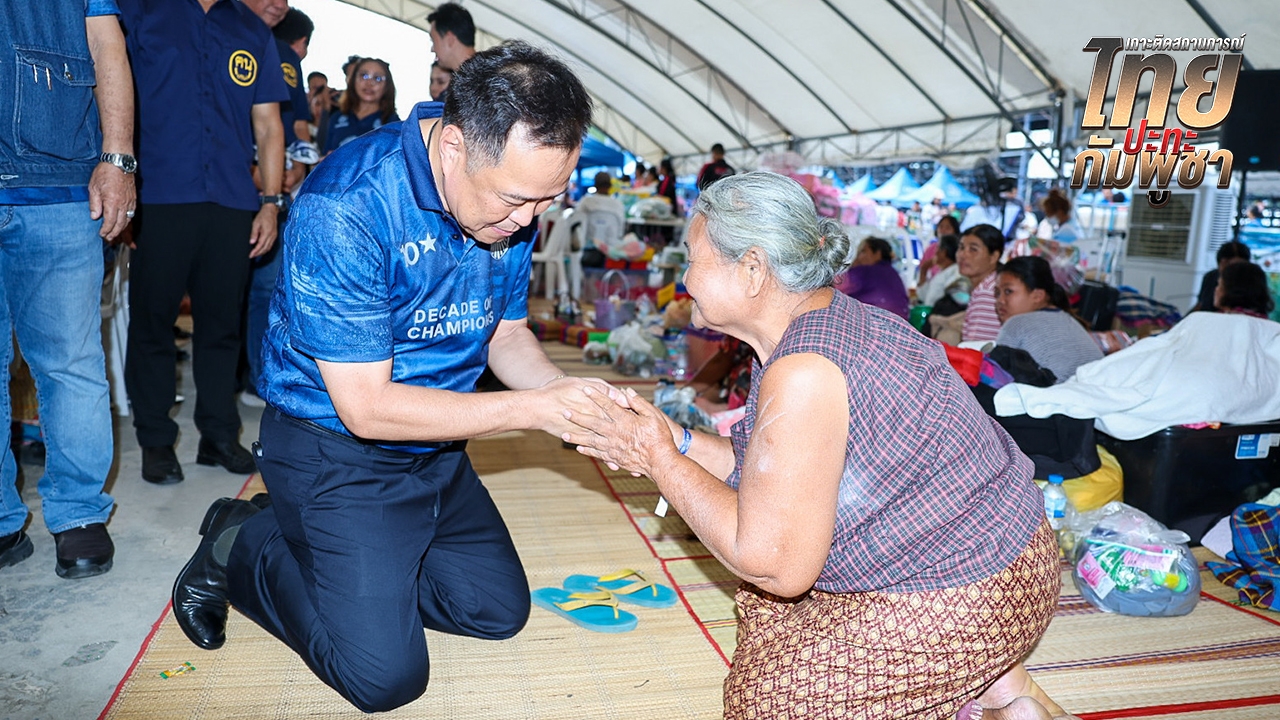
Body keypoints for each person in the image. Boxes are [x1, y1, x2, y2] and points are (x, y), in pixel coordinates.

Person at [170, 41, 600, 713]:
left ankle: (358, 563)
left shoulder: (512, 205)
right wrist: (533, 411)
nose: (528, 221)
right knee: (385, 679)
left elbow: (507, 334)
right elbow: (366, 408)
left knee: (494, 610)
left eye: (549, 199)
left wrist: (568, 399)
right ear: (454, 147)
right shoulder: (348, 205)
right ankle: (242, 540)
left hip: (436, 443)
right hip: (335, 449)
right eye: (517, 199)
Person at [564, 172, 1074, 720]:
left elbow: (776, 565)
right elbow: (773, 470)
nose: (683, 277)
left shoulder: (804, 368)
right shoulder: (828, 322)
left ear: (753, 269)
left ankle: (980, 687)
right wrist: (677, 442)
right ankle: (994, 687)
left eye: (692, 258)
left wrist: (658, 460)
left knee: (769, 703)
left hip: (970, 589)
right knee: (768, 615)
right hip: (1007, 553)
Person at [119, 0, 286, 484]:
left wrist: (270, 203)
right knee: (152, 324)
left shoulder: (252, 29)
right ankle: (155, 440)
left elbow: (268, 124)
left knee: (222, 327)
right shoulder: (140, 11)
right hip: (159, 195)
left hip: (232, 201)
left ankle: (218, 436)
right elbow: (112, 92)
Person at [0, 0, 134, 578]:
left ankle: (79, 513)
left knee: (71, 361)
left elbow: (107, 45)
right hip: (55, 183)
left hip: (57, 182)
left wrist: (118, 159)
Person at [241, 1, 317, 408]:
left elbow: (297, 122)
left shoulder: (285, 56)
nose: (279, 4)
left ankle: (258, 376)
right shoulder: (222, 34)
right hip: (233, 186)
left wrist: (299, 168)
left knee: (267, 290)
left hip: (277, 193)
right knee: (232, 292)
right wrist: (251, 169)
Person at [995, 256, 1103, 383]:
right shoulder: (1070, 320)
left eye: (1008, 291)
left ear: (1038, 296)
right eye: (997, 293)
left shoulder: (1016, 324)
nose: (999, 300)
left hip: (1057, 394)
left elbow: (995, 376)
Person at [323, 57, 399, 155]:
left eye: (377, 78)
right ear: (353, 80)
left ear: (387, 86)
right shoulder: (336, 118)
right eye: (364, 76)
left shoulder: (393, 123)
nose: (369, 83)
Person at [833, 236, 909, 319]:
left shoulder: (865, 271)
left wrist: (854, 264)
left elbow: (832, 283)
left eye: (863, 251)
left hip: (875, 322)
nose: (859, 257)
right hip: (899, 322)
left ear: (878, 253)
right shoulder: (894, 274)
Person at [959, 223, 1006, 343]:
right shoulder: (989, 284)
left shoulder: (988, 292)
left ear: (994, 256)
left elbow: (976, 348)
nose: (963, 255)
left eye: (973, 249)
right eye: (961, 247)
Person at [573, 171, 626, 267]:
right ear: (610, 186)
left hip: (587, 250)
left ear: (595, 185)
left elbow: (576, 223)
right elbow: (620, 232)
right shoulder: (618, 205)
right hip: (611, 253)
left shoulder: (586, 202)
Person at [1194, 241, 1251, 313]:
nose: (1231, 270)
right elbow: (1201, 304)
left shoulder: (1252, 282)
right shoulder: (1210, 277)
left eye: (1237, 266)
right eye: (1226, 264)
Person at [916, 233, 966, 307]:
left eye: (938, 248)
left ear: (944, 252)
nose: (935, 252)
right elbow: (925, 298)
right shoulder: (943, 272)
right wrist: (924, 270)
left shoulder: (955, 273)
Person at [428, 2, 476, 71]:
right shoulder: (483, 72)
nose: (432, 49)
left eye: (433, 41)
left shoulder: (483, 75)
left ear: (450, 39)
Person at [918, 212, 961, 285]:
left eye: (948, 228)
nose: (943, 230)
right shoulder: (931, 248)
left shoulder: (959, 250)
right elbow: (922, 269)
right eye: (941, 227)